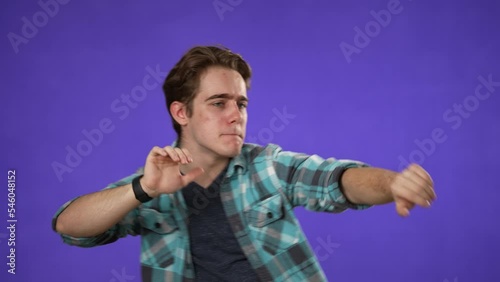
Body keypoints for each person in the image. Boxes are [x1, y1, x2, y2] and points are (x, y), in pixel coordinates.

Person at [52, 45, 436, 282]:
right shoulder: (152, 182)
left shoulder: (267, 166)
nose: (236, 116)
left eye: (241, 104)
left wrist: (391, 184)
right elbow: (70, 227)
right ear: (181, 112)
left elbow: (334, 179)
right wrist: (144, 190)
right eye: (219, 103)